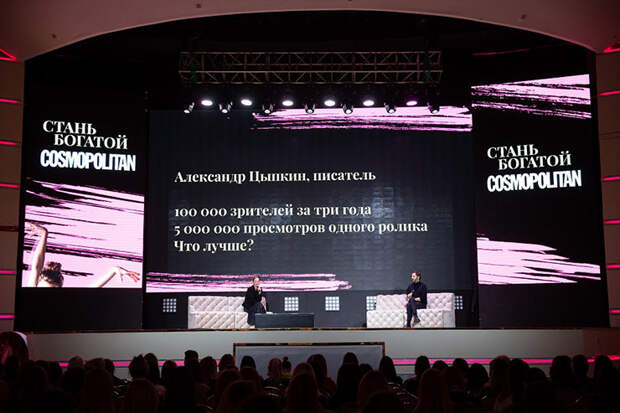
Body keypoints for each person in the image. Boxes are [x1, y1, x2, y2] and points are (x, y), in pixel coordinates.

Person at [24, 221, 140, 287]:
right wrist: (44, 234)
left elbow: (93, 288)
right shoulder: (32, 290)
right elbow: (36, 267)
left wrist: (114, 270)